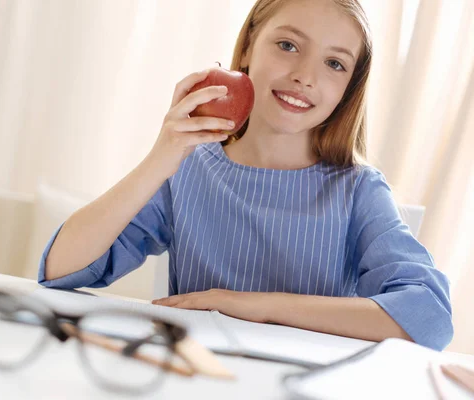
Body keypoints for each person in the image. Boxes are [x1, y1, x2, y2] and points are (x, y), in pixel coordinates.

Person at [39, 0, 453, 351]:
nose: (306, 76)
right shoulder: (187, 169)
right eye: (288, 45)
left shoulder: (358, 191)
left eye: (334, 63)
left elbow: (429, 317)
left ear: (349, 87)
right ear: (248, 49)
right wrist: (160, 158)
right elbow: (60, 270)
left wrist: (250, 305)